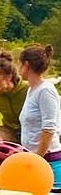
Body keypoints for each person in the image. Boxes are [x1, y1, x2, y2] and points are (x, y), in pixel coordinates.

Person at [16, 44, 61, 187]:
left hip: (47, 161)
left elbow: (49, 129)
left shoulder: (45, 91)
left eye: (19, 63)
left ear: (26, 65)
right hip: (34, 159)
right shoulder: (32, 90)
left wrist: (38, 159)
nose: (18, 68)